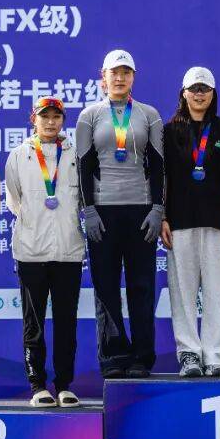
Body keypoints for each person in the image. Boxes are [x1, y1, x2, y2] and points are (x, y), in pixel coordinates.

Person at [76, 49, 165, 379]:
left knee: (142, 286)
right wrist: (89, 210)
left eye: (126, 72)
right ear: (103, 77)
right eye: (114, 72)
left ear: (133, 78)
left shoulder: (149, 115)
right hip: (103, 213)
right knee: (106, 286)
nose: (120, 77)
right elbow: (83, 167)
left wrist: (157, 209)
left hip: (141, 211)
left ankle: (142, 356)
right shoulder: (89, 116)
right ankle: (113, 356)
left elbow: (158, 166)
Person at [161, 66, 220, 378]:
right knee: (182, 292)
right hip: (180, 222)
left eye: (204, 89)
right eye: (194, 89)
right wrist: (163, 216)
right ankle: (188, 354)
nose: (199, 94)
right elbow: (163, 178)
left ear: (213, 94)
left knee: (218, 291)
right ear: (183, 94)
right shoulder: (169, 132)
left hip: (218, 221)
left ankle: (215, 356)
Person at [4, 96, 84, 407]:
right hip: (31, 251)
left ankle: (64, 384)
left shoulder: (75, 154)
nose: (50, 122)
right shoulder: (19, 155)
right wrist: (36, 222)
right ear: (33, 119)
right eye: (44, 116)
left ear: (63, 120)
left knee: (66, 322)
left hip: (68, 251)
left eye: (56, 117)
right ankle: (37, 385)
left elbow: (82, 200)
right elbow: (14, 200)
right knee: (33, 322)